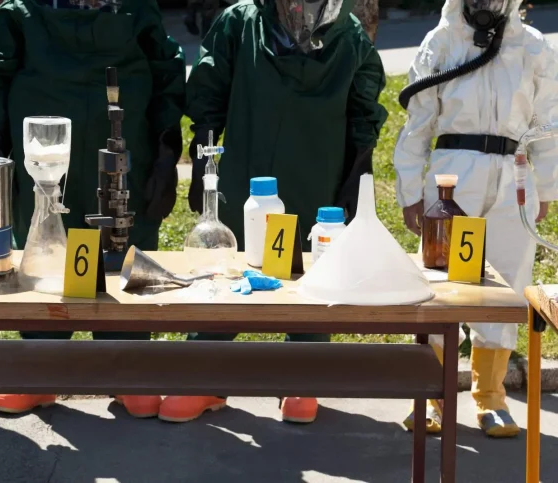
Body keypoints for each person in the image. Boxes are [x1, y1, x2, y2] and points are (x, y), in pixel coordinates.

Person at [159, 0, 387, 423]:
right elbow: (208, 90)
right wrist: (203, 157)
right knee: (226, 273)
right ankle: (202, 378)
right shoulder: (241, 24)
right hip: (245, 173)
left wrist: (358, 171)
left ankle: (302, 379)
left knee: (313, 274)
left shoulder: (349, 38)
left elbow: (364, 110)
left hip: (317, 176)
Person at [0, 0, 186, 418]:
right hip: (47, 154)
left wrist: (167, 151)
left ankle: (129, 374)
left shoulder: (136, 11)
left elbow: (167, 73)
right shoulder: (21, 13)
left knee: (123, 247)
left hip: (126, 148)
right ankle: (39, 373)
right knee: (46, 252)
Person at [394, 0, 558, 437]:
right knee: (441, 285)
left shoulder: (532, 46)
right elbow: (417, 122)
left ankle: (490, 396)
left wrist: (545, 187)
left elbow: (548, 121)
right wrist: (410, 191)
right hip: (453, 173)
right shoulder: (442, 42)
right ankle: (429, 395)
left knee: (507, 286)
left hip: (513, 174)